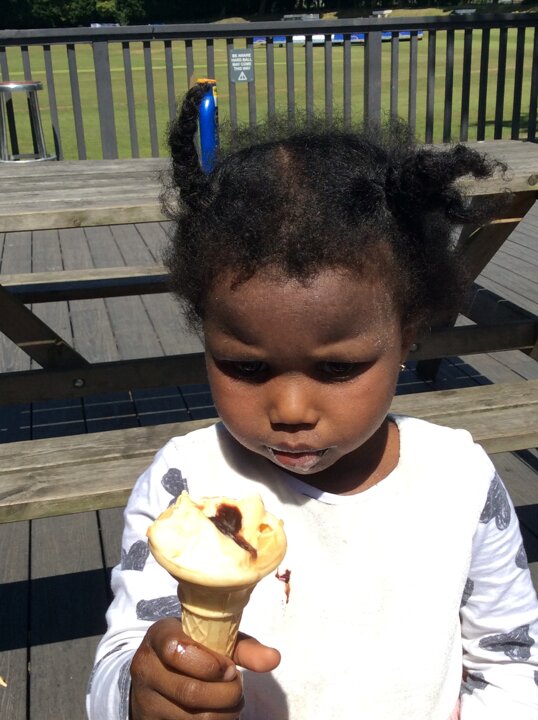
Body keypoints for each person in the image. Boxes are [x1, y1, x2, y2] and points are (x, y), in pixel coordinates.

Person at [86, 84, 538, 720]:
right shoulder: (186, 486)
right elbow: (125, 653)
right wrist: (141, 694)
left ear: (407, 332)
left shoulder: (458, 478)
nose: (291, 409)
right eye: (246, 366)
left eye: (338, 368)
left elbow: (509, 657)